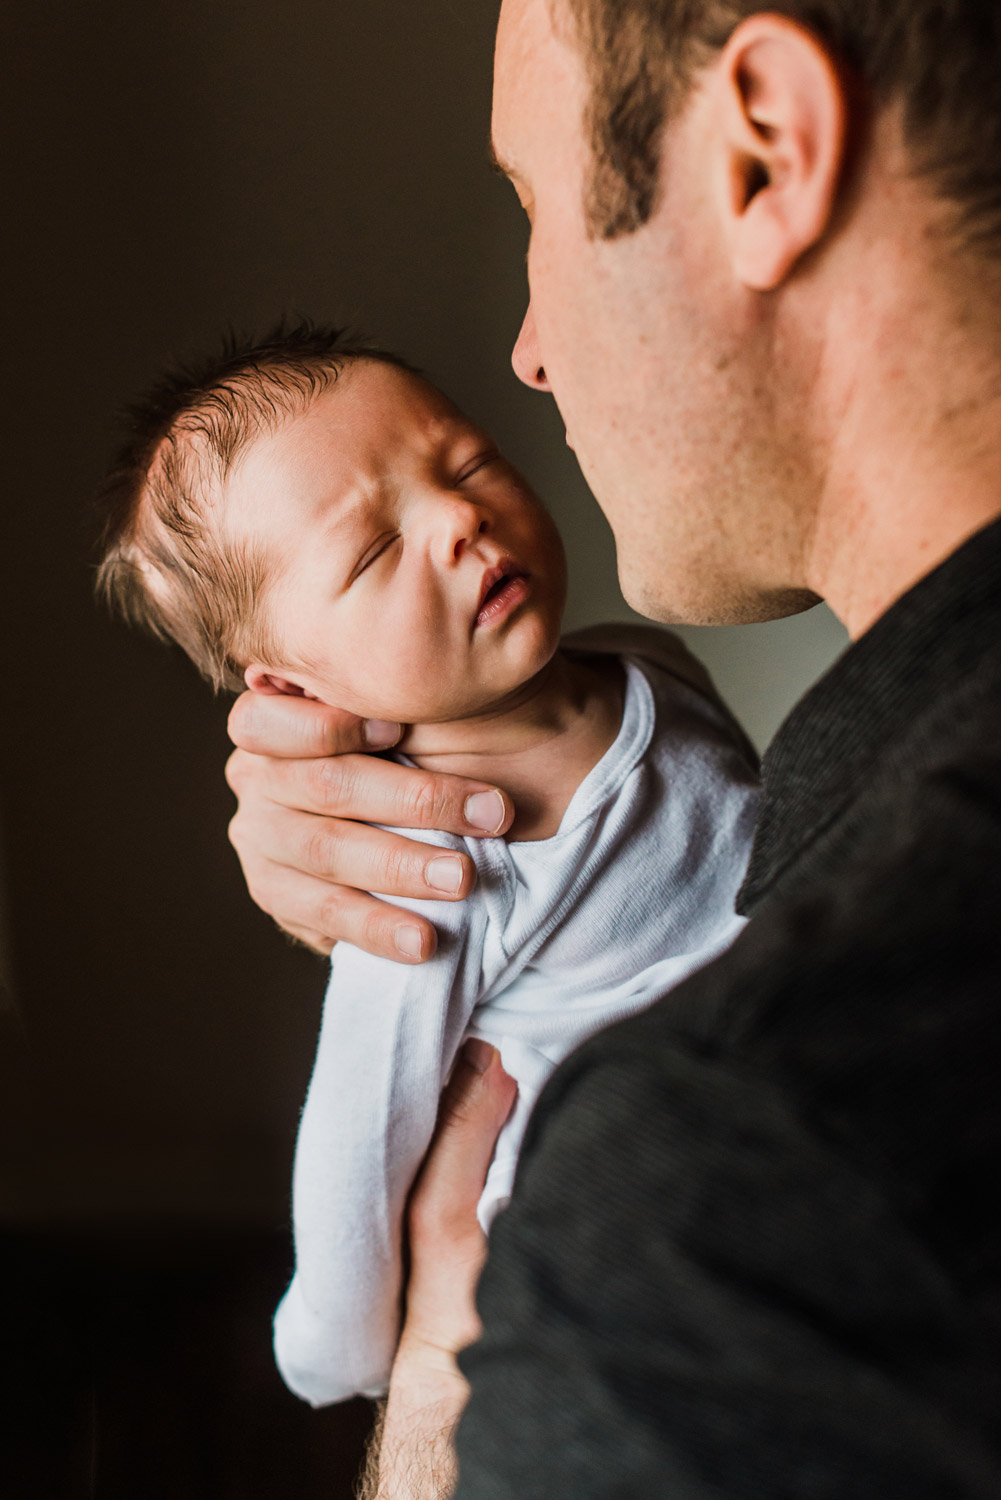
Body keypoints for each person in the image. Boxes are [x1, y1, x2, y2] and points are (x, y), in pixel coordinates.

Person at [224, 1, 1001, 1494]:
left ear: (764, 154)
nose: (524, 350)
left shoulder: (725, 1185)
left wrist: (453, 1352)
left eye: (535, 204)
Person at [95, 325, 758, 1406]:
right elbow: (361, 1140)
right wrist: (337, 1345)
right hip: (603, 1254)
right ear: (295, 690)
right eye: (371, 551)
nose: (459, 520)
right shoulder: (425, 872)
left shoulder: (651, 667)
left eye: (466, 464)